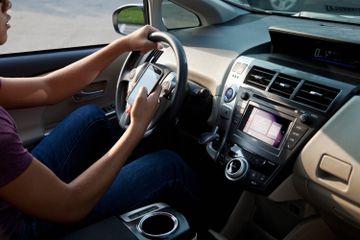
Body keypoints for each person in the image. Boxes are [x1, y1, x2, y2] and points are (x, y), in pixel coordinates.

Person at [0, 1, 202, 239]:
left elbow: (48, 88)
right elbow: (69, 205)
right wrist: (136, 128)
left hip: (14, 196)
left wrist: (122, 45)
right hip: (20, 228)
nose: (8, 3)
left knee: (90, 119)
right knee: (168, 166)